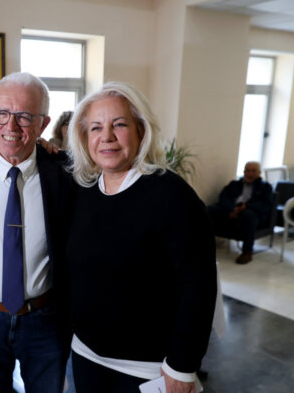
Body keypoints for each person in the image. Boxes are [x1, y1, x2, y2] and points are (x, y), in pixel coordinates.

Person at [65, 81, 217, 393]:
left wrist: (183, 365)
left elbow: (198, 285)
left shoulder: (172, 196)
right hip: (86, 355)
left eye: (119, 124)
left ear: (141, 130)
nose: (107, 136)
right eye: (96, 128)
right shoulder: (83, 192)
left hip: (148, 368)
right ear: (84, 137)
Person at [0, 72, 73, 393]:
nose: (11, 126)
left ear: (43, 124)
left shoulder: (65, 173)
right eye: (2, 113)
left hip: (45, 320)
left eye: (24, 116)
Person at [207, 161, 273, 264]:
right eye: (247, 171)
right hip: (232, 209)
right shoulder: (234, 184)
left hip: (251, 212)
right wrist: (232, 209)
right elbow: (223, 197)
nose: (250, 174)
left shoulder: (265, 187)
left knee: (248, 216)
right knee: (209, 209)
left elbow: (264, 205)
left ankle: (247, 252)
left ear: (259, 173)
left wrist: (245, 207)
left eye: (253, 171)